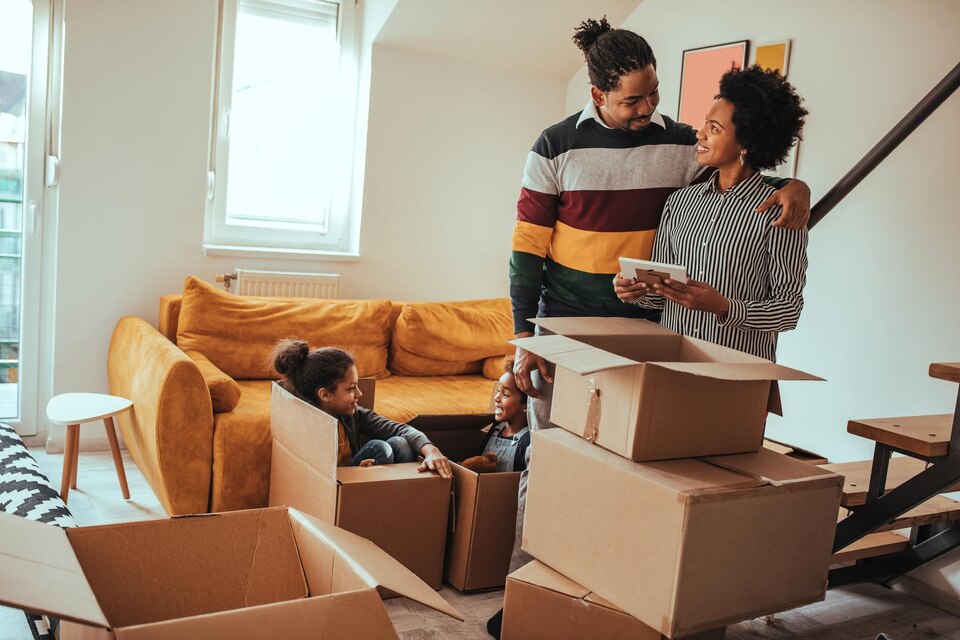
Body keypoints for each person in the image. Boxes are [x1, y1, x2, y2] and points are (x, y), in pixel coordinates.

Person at [614, 65, 809, 362]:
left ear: (745, 143)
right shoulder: (680, 203)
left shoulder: (780, 213)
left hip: (737, 374)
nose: (699, 133)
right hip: (672, 366)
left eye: (714, 129)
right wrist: (635, 290)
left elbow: (788, 310)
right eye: (705, 123)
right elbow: (661, 294)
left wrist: (724, 307)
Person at [272, 339, 452, 479]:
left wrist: (430, 449)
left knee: (400, 442)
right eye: (351, 388)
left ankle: (398, 502)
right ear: (325, 395)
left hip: (355, 474)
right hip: (333, 487)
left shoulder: (353, 415)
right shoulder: (307, 422)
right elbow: (314, 478)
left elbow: (400, 428)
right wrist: (354, 473)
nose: (359, 393)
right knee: (379, 448)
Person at [480, 358, 530, 473]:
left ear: (526, 405)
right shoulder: (496, 428)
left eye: (506, 394)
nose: (496, 398)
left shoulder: (525, 443)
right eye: (498, 390)